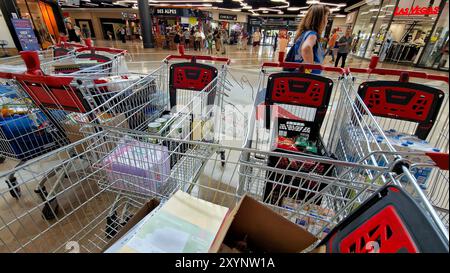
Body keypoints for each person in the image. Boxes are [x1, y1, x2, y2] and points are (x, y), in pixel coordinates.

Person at [287, 4, 330, 74]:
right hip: (308, 80)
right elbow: (306, 48)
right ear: (320, 20)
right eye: (326, 18)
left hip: (297, 75)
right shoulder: (312, 35)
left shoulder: (304, 34)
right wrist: (310, 69)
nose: (327, 21)